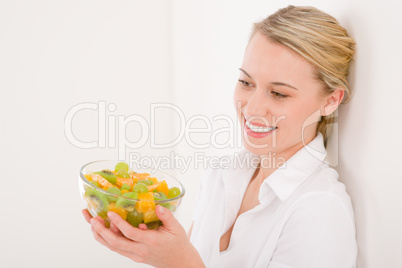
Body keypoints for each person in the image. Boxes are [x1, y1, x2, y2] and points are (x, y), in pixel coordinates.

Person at [82, 5, 357, 268]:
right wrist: (152, 250)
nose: (251, 108)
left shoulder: (320, 209)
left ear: (331, 101)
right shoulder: (222, 175)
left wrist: (180, 263)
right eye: (246, 83)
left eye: (279, 93)